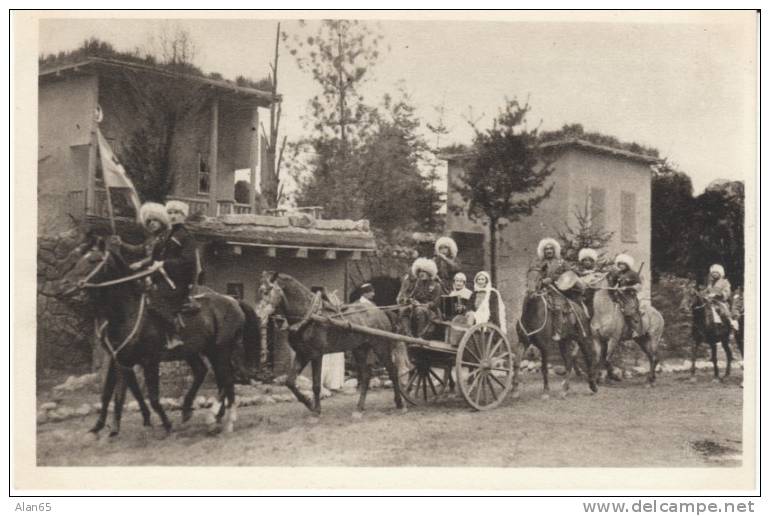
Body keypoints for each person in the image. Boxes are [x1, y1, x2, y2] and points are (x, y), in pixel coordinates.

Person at [144, 200, 199, 348]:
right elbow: (156, 259)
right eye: (170, 212)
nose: (173, 216)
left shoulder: (186, 236)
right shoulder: (166, 236)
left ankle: (174, 334)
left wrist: (165, 264)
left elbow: (188, 261)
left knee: (155, 302)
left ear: (183, 216)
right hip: (163, 280)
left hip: (179, 283)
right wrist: (150, 275)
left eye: (177, 213)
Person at [528, 237, 569, 341]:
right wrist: (539, 282)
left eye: (551, 248)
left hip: (557, 290)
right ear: (543, 251)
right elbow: (533, 273)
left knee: (557, 307)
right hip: (541, 289)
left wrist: (552, 279)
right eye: (546, 249)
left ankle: (557, 332)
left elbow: (568, 274)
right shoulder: (539, 262)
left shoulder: (561, 262)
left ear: (555, 250)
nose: (549, 251)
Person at [110, 202, 169, 270]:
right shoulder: (151, 238)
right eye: (149, 221)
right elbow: (138, 249)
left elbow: (154, 257)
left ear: (162, 220)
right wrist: (121, 243)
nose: (152, 223)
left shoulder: (165, 237)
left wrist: (140, 263)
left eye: (155, 220)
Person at [398, 258, 443, 338]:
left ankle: (421, 336)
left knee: (419, 311)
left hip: (431, 311)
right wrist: (411, 301)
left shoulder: (436, 286)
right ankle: (409, 335)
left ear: (429, 273)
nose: (421, 274)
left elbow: (435, 303)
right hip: (417, 307)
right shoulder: (418, 284)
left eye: (424, 272)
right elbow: (413, 296)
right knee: (403, 310)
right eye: (419, 272)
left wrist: (422, 305)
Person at [607, 253, 645, 338]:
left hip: (629, 297)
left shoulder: (633, 274)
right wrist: (611, 289)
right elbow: (612, 284)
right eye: (619, 264)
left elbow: (639, 286)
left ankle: (634, 330)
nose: (621, 266)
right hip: (619, 296)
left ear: (627, 265)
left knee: (628, 311)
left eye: (623, 264)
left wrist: (627, 288)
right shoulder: (617, 274)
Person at [705, 264, 739, 331]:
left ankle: (731, 322)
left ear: (720, 273)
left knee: (723, 309)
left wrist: (718, 295)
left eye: (716, 272)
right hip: (710, 301)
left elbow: (727, 292)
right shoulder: (710, 283)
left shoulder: (725, 282)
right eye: (713, 272)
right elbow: (706, 291)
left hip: (720, 301)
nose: (714, 274)